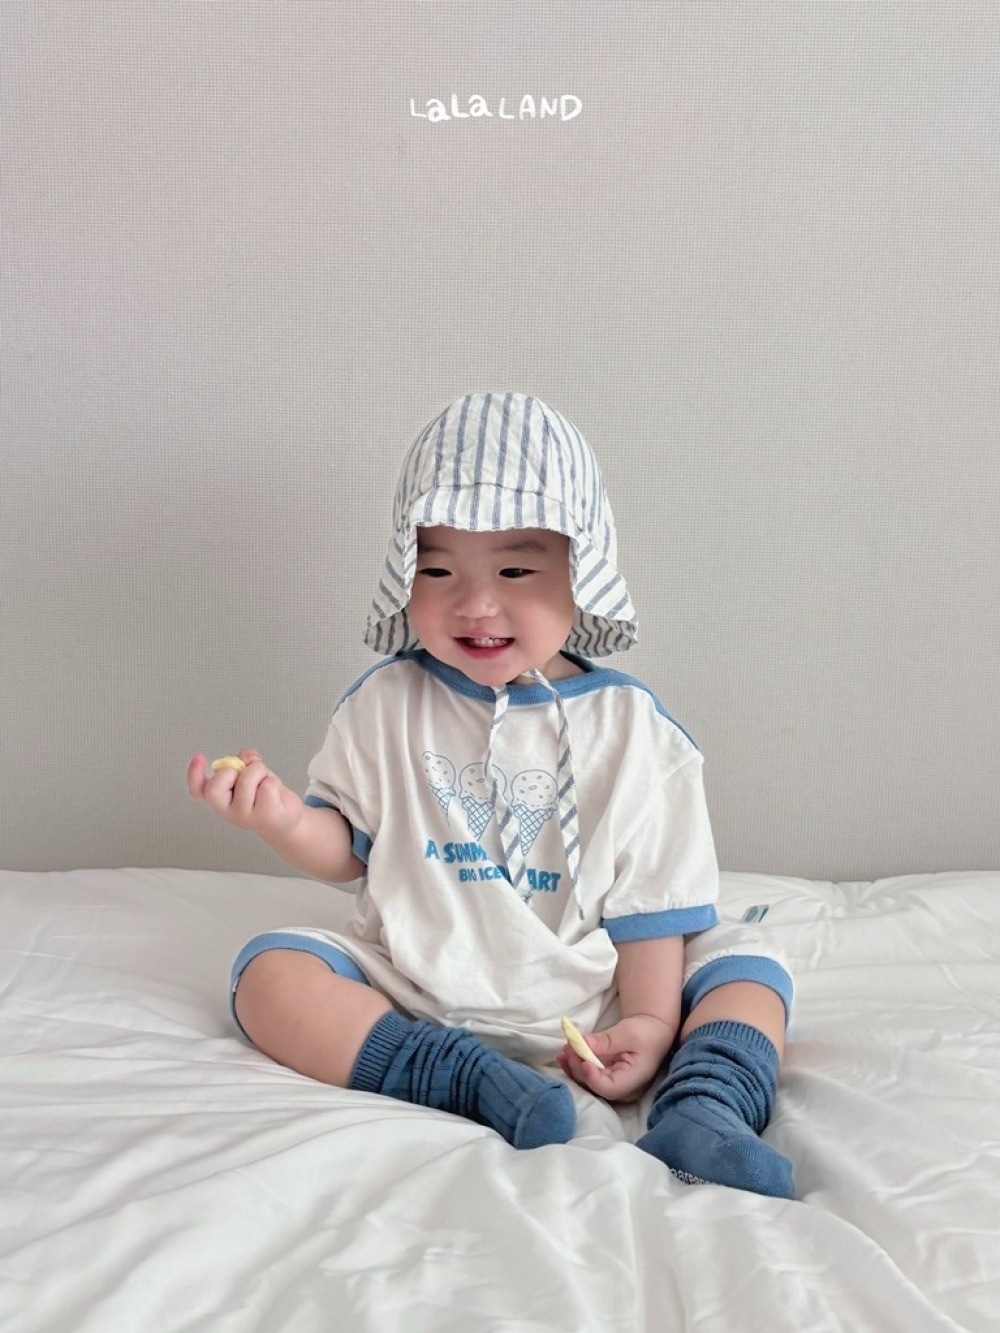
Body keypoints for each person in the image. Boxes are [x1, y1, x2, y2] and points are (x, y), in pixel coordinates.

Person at [188, 391, 795, 1199]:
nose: (474, 604)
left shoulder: (633, 730)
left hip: (595, 996)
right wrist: (285, 819)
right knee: (269, 972)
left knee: (749, 967)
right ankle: (454, 1074)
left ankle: (704, 1107)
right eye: (438, 569)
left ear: (581, 573)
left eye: (514, 570)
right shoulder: (386, 705)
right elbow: (347, 850)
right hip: (416, 987)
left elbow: (654, 906)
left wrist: (649, 1023)